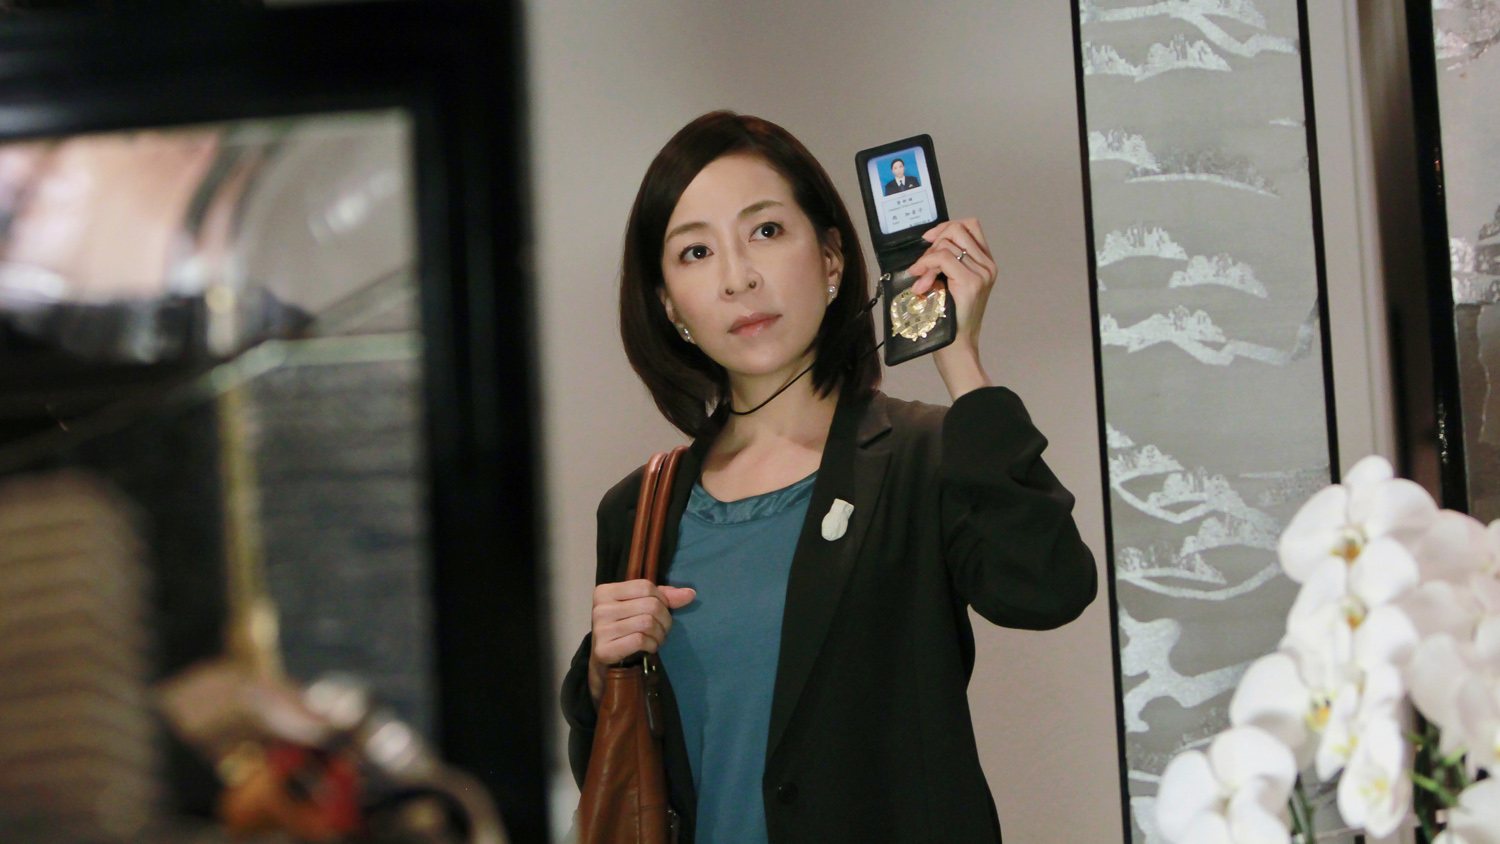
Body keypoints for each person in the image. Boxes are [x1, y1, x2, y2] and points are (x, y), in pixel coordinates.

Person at [560, 111, 1097, 844]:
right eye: (695, 252)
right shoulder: (639, 509)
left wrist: (960, 356)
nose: (738, 277)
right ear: (668, 304)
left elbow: (1046, 588)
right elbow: (619, 779)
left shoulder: (924, 456)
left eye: (766, 230)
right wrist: (603, 676)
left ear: (833, 258)